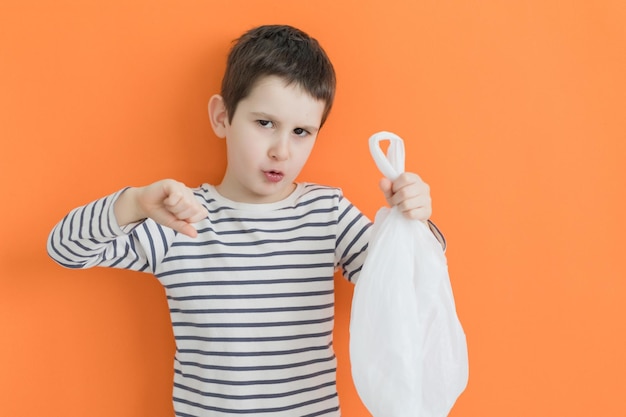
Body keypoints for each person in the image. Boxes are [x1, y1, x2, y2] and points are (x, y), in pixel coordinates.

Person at [47, 24, 444, 417]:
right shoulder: (177, 218)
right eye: (265, 123)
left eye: (302, 131)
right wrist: (132, 203)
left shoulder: (328, 214)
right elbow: (63, 249)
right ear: (222, 117)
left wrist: (413, 220)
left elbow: (408, 280)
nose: (281, 151)